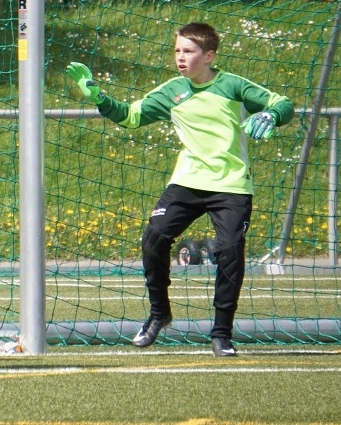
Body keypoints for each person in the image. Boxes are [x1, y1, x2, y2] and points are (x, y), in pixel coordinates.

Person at [66, 22, 294, 357]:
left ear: (209, 56)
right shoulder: (172, 90)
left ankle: (221, 335)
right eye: (177, 51)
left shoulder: (233, 86)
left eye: (188, 51)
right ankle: (159, 314)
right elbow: (131, 116)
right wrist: (98, 97)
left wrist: (272, 115)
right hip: (187, 182)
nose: (180, 57)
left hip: (230, 185)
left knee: (230, 252)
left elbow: (283, 103)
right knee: (154, 239)